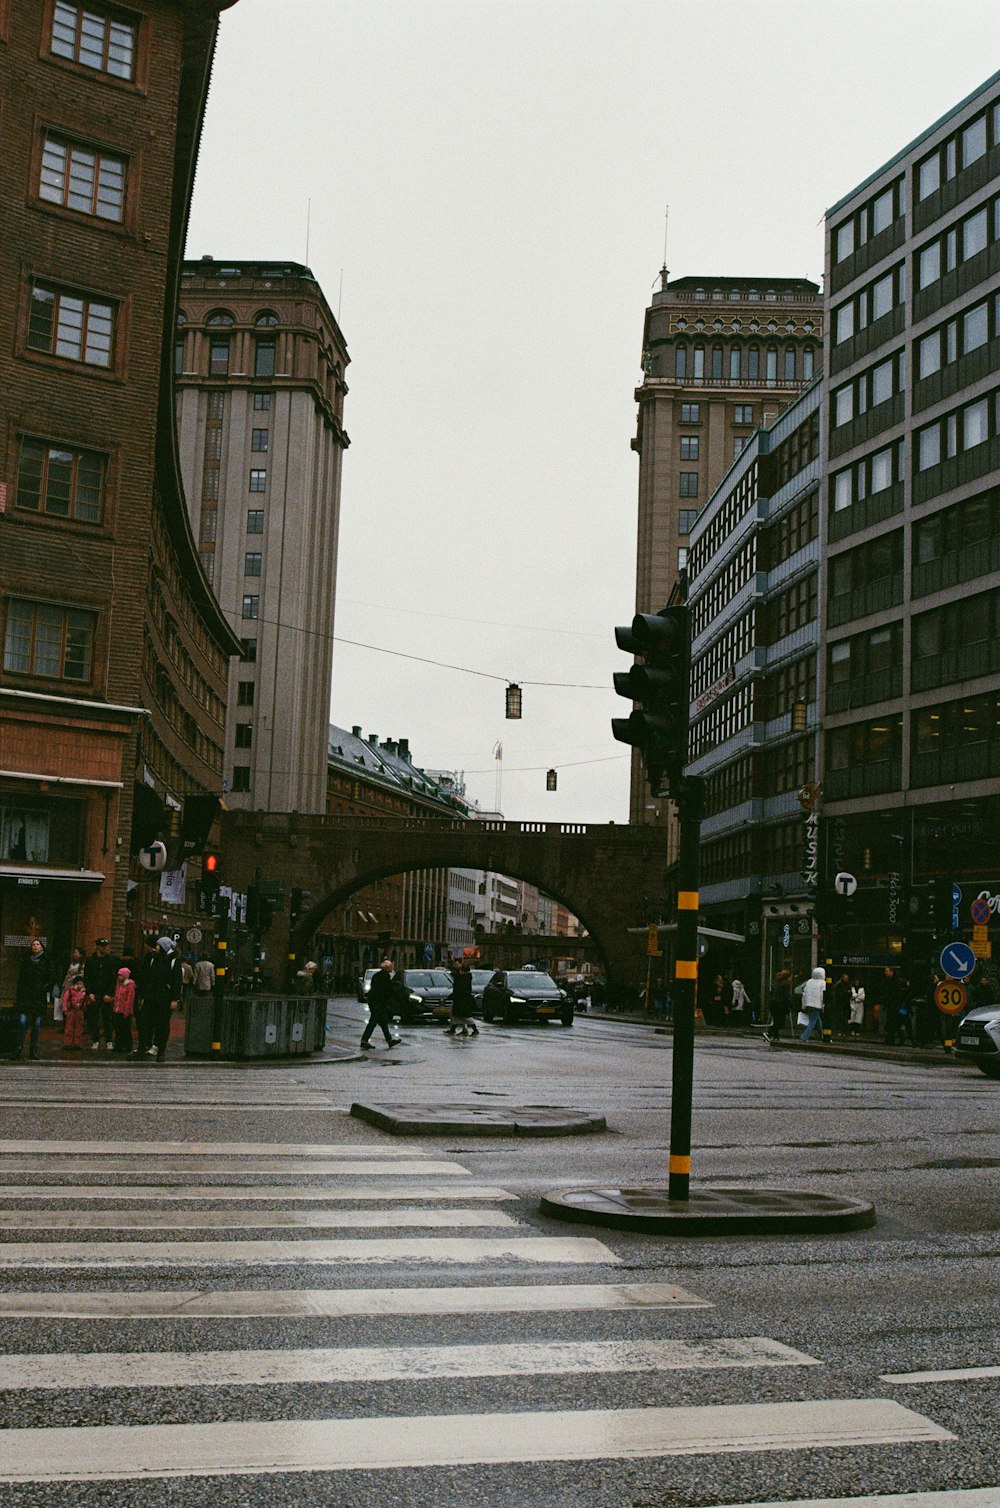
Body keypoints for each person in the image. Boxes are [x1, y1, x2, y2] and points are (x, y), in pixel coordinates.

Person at [15, 938, 57, 1059]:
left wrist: (44, 987)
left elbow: (51, 977)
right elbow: (21, 979)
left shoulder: (47, 961)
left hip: (38, 997)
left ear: (42, 947)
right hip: (26, 996)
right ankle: (19, 1047)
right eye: (33, 944)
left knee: (37, 1024)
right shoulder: (26, 961)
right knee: (22, 1022)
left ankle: (33, 1050)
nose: (35, 946)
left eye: (38, 944)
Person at [143, 937, 183, 1062]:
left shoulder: (173, 961)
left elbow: (177, 981)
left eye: (159, 945)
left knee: (162, 1024)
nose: (157, 947)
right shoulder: (156, 959)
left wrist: (175, 999)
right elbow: (150, 978)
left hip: (165, 998)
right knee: (148, 1021)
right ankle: (147, 1046)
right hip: (153, 997)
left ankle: (161, 1050)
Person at [84, 937, 118, 1051]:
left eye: (107, 946)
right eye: (103, 946)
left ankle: (109, 1040)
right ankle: (95, 1039)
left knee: (107, 1018)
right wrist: (89, 992)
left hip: (106, 993)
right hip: (94, 992)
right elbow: (87, 977)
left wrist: (110, 993)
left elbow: (113, 979)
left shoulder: (110, 960)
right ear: (98, 947)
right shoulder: (90, 960)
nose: (106, 948)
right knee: (93, 1017)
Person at [361, 959, 402, 1048]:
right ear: (387, 968)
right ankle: (364, 1041)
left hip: (375, 1002)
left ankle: (389, 1040)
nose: (392, 968)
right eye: (391, 967)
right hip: (378, 1003)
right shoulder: (384, 977)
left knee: (383, 1022)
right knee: (373, 1022)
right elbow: (387, 989)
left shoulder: (377, 975)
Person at [446, 958, 479, 1037]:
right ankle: (452, 1030)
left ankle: (475, 1030)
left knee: (465, 1016)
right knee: (456, 1016)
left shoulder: (464, 979)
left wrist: (452, 996)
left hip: (462, 1000)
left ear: (463, 971)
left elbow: (460, 990)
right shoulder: (463, 977)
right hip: (460, 999)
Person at [763, 968, 792, 1044]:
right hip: (779, 1003)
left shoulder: (777, 983)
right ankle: (769, 1033)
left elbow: (771, 993)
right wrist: (788, 1006)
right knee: (779, 1021)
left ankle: (776, 1036)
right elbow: (786, 996)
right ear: (788, 977)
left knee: (776, 1019)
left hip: (772, 1002)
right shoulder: (786, 984)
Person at [799, 966, 827, 1043]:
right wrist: (823, 1005)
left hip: (809, 1004)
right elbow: (822, 995)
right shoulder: (822, 983)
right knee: (813, 1021)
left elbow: (804, 994)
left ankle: (822, 1036)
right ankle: (804, 1036)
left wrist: (803, 1005)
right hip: (817, 1005)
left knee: (818, 1021)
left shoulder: (809, 982)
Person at [112, 966, 136, 1055]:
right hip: (117, 1010)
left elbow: (129, 999)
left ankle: (127, 1045)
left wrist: (127, 1011)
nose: (119, 977)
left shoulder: (130, 986)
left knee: (125, 1029)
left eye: (121, 975)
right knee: (118, 1029)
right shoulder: (119, 985)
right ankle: (118, 1045)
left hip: (124, 1011)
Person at [61, 971, 87, 1050]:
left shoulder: (84, 992)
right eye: (77, 983)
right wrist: (65, 1009)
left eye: (80, 984)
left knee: (78, 1027)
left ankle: (77, 1043)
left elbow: (86, 1001)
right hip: (71, 1010)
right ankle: (68, 1043)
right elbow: (65, 1000)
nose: (79, 985)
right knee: (69, 1027)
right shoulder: (70, 991)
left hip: (79, 1011)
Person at [832, 972, 852, 1038]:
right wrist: (846, 993)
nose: (846, 979)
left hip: (845, 1004)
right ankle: (839, 1031)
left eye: (847, 978)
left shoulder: (848, 985)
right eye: (845, 978)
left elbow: (850, 994)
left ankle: (843, 1031)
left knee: (845, 1018)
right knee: (840, 1018)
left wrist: (847, 993)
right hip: (839, 1004)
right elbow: (839, 994)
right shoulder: (839, 985)